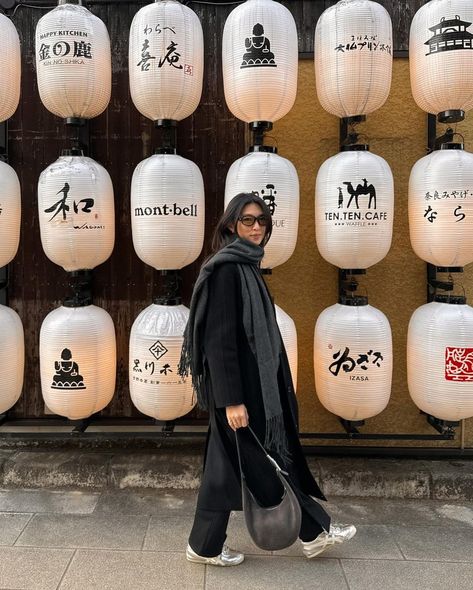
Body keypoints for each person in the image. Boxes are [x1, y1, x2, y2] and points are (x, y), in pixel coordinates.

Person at [179, 193, 356, 566]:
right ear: (230, 225)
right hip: (241, 391)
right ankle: (314, 532)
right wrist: (231, 400)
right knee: (266, 460)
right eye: (247, 220)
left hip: (251, 387)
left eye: (262, 220)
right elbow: (219, 339)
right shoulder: (227, 269)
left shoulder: (246, 266)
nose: (256, 227)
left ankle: (204, 545)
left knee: (224, 466)